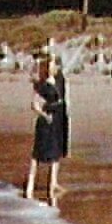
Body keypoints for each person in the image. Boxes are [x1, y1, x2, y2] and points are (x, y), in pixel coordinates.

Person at [25, 55, 68, 201]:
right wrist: (44, 115)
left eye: (55, 65)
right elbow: (34, 105)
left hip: (59, 117)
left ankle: (53, 183)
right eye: (51, 65)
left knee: (56, 151)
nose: (54, 68)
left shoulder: (60, 79)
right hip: (46, 119)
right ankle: (30, 185)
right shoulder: (41, 84)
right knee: (38, 153)